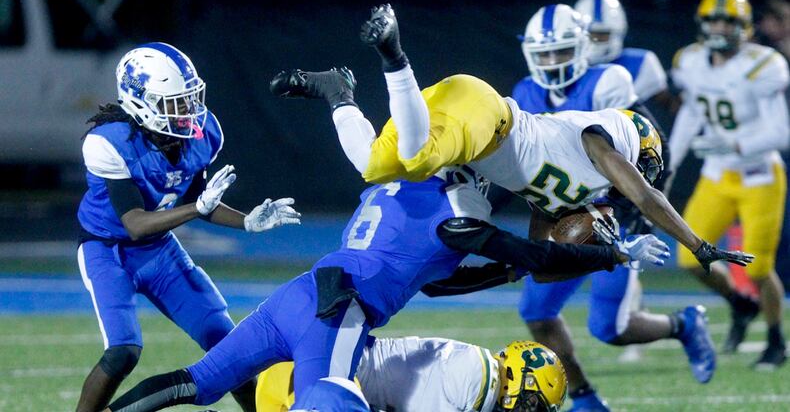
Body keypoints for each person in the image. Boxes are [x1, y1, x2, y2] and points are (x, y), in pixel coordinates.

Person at [270, 3, 750, 301]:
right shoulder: (598, 137)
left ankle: (338, 94)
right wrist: (699, 246)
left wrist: (600, 250)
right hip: (485, 116)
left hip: (456, 120)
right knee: (416, 160)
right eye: (643, 164)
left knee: (374, 164)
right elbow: (647, 198)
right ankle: (395, 55)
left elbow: (539, 261)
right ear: (636, 145)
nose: (636, 175)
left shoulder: (561, 192)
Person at [100, 163, 670, 411]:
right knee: (331, 403)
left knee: (197, 382)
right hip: (339, 313)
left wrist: (512, 268)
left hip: (301, 293)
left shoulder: (390, 192)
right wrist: (609, 253)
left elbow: (444, 286)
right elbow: (535, 252)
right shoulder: (454, 219)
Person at [75, 42, 301, 412]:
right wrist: (197, 207)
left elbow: (200, 198)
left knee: (228, 346)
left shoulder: (202, 134)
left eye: (189, 98)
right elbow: (135, 224)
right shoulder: (109, 143)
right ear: (139, 103)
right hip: (108, 250)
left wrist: (246, 221)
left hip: (159, 248)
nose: (189, 111)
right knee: (123, 351)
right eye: (175, 102)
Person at [508, 3, 686, 411]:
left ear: (583, 47)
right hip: (567, 215)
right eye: (545, 54)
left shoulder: (609, 79)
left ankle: (684, 324)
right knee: (536, 311)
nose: (553, 62)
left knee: (609, 326)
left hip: (619, 213)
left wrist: (635, 209)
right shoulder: (524, 93)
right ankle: (586, 399)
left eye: (562, 51)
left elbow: (653, 149)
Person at [669, 0, 790, 369]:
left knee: (756, 268)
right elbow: (691, 112)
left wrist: (734, 144)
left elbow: (781, 132)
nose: (720, 27)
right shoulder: (691, 62)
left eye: (728, 21)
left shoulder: (762, 65)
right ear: (703, 25)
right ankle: (740, 304)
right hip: (717, 176)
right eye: (714, 20)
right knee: (689, 258)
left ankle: (775, 339)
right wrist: (670, 159)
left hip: (759, 176)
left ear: (745, 28)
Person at [256, 338, 568, 412]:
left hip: (294, 384)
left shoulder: (476, 366)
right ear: (516, 374)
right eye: (532, 403)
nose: (529, 411)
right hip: (314, 385)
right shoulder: (478, 376)